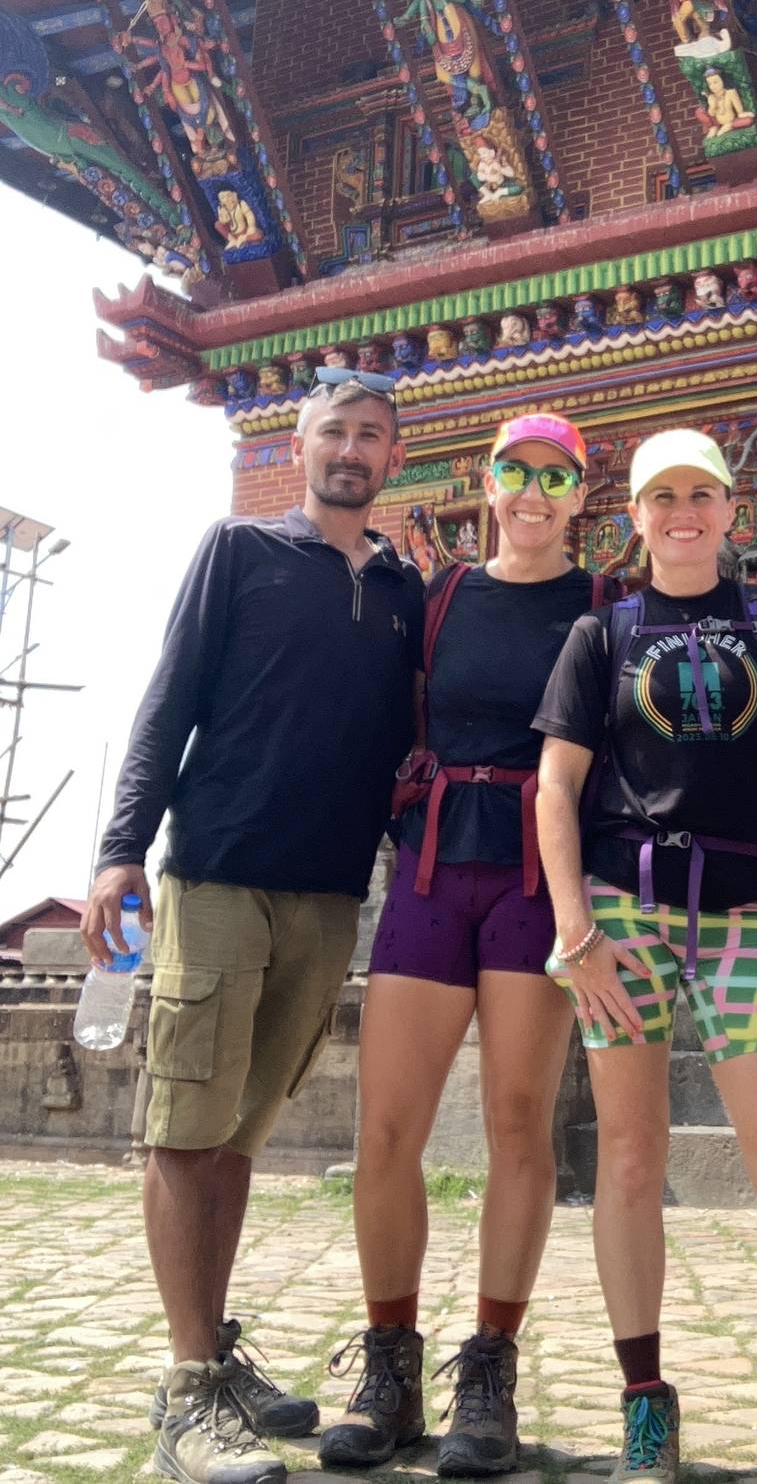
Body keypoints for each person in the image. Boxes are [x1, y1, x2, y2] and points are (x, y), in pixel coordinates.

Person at [532, 428, 757, 1484]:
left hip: (743, 918)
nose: (683, 513)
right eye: (663, 497)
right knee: (629, 1158)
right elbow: (555, 786)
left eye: (702, 494)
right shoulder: (603, 635)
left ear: (734, 511)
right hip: (622, 919)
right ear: (635, 517)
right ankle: (644, 1400)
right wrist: (574, 931)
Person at [81, 367, 422, 1484]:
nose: (351, 450)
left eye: (371, 435)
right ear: (299, 443)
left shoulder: (408, 592)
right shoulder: (238, 551)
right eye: (335, 430)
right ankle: (187, 1396)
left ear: (394, 458)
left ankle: (215, 1354)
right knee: (184, 1127)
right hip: (219, 873)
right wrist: (120, 850)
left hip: (330, 896)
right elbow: (168, 699)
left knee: (239, 1134)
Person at [320, 414, 600, 1478]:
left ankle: (489, 1371)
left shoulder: (604, 607)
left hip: (537, 877)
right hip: (434, 869)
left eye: (555, 477)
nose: (532, 492)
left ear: (581, 495)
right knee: (387, 1127)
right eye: (515, 471)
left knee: (519, 1123)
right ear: (487, 483)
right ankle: (389, 1365)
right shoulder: (438, 598)